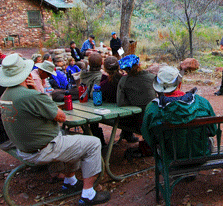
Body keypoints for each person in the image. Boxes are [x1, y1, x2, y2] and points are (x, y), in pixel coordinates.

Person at [0, 54, 110, 205]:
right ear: (24, 74)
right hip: (43, 149)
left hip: (24, 149)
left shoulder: (5, 95)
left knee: (71, 137)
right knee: (93, 143)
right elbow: (61, 116)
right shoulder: (30, 96)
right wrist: (36, 91)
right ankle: (88, 194)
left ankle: (70, 181)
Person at [141, 66, 217, 159]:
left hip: (170, 157)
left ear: (158, 87)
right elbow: (213, 130)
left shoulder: (153, 108)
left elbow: (148, 136)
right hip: (201, 154)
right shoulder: (201, 102)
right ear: (179, 84)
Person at [116, 55, 156, 143]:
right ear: (139, 64)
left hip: (135, 122)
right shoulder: (152, 77)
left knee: (126, 115)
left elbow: (120, 103)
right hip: (153, 118)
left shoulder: (124, 80)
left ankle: (127, 134)